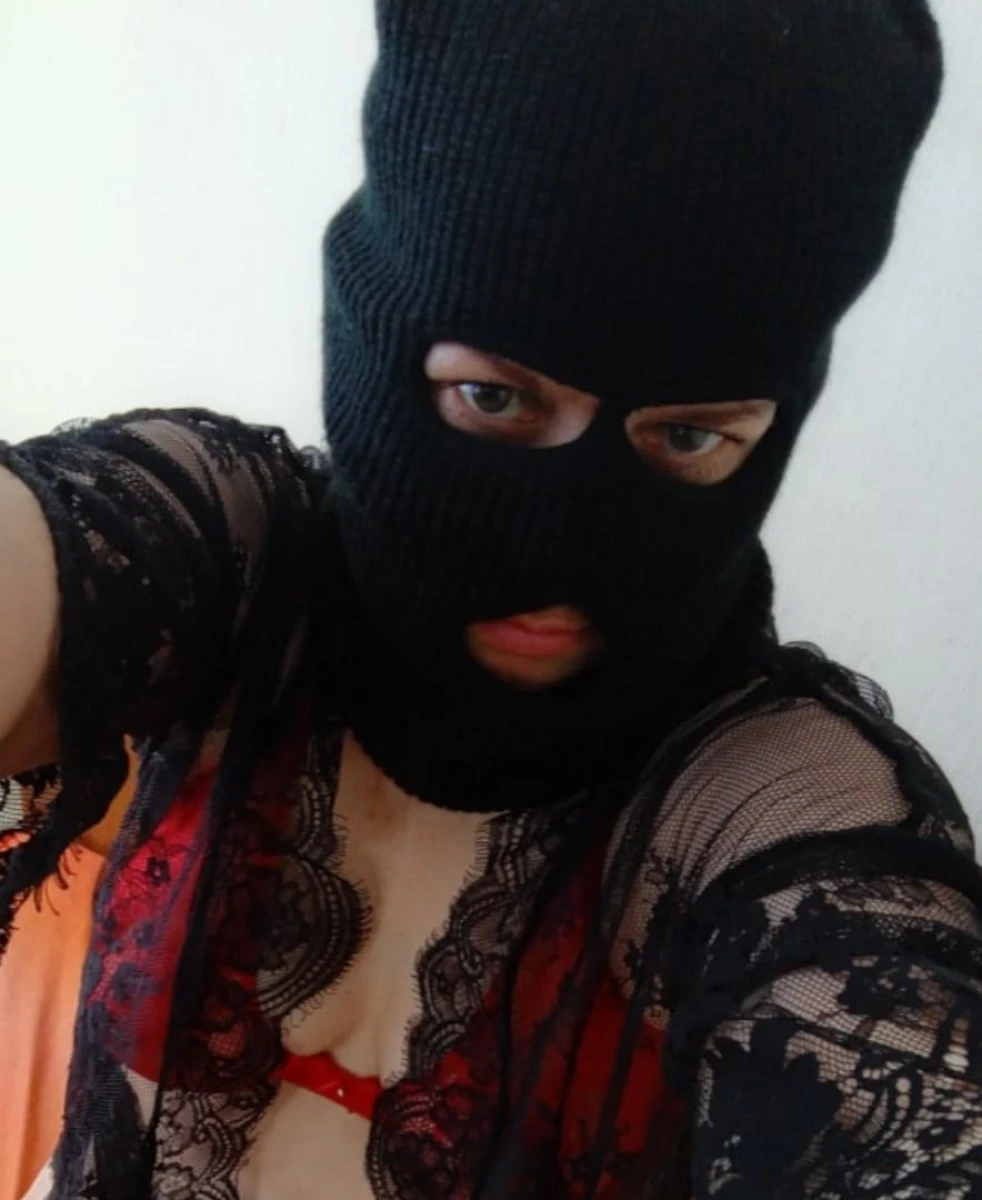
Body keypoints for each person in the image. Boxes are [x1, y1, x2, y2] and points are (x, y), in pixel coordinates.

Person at [1, 1, 981, 1197]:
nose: (566, 547)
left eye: (686, 435)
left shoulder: (778, 807)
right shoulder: (241, 560)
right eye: (495, 400)